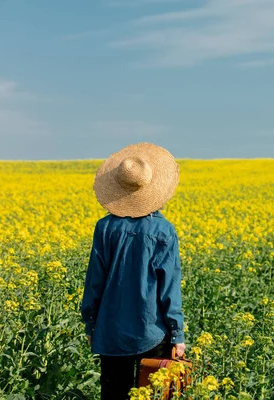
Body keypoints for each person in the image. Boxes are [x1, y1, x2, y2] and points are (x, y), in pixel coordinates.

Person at [80, 142, 186, 400]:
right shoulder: (163, 231)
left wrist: (91, 326)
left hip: (111, 332)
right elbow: (168, 288)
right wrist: (177, 334)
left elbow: (94, 281)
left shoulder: (104, 228)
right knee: (153, 395)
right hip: (151, 332)